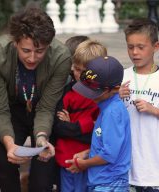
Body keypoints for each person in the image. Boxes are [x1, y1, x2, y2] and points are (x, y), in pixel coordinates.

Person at [0, 7, 71, 192]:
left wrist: (41, 139)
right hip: (12, 109)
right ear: (15, 42)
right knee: (5, 162)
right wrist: (9, 144)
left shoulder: (61, 57)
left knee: (42, 178)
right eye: (26, 50)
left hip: (44, 109)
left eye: (40, 51)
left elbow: (47, 108)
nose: (32, 58)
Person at [120, 18, 159, 192]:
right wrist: (115, 98)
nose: (135, 52)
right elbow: (106, 113)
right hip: (125, 168)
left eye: (141, 47)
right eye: (130, 47)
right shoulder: (122, 76)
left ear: (155, 47)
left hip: (154, 168)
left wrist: (153, 109)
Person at [66, 56, 132, 191]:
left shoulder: (112, 113)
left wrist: (84, 164)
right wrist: (86, 153)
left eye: (95, 91)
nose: (89, 95)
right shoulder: (105, 107)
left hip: (110, 184)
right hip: (101, 181)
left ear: (115, 89)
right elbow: (108, 144)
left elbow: (109, 154)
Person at [53, 39, 107, 192]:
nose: (77, 74)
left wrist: (74, 125)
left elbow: (99, 131)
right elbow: (60, 127)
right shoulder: (67, 92)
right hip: (66, 157)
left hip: (91, 158)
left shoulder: (102, 95)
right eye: (76, 69)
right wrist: (88, 124)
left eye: (83, 71)